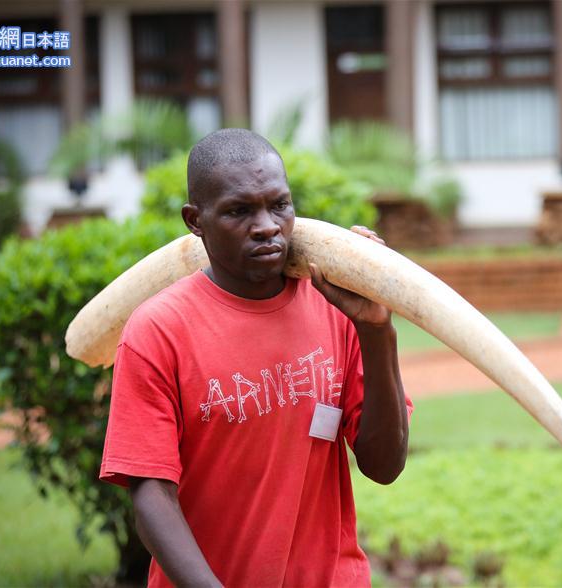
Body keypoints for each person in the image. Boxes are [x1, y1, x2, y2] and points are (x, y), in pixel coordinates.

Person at [99, 128, 412, 587]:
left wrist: (376, 331)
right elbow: (152, 497)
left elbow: (384, 466)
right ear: (195, 220)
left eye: (279, 204)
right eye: (239, 211)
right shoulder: (158, 331)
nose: (266, 225)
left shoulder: (336, 307)